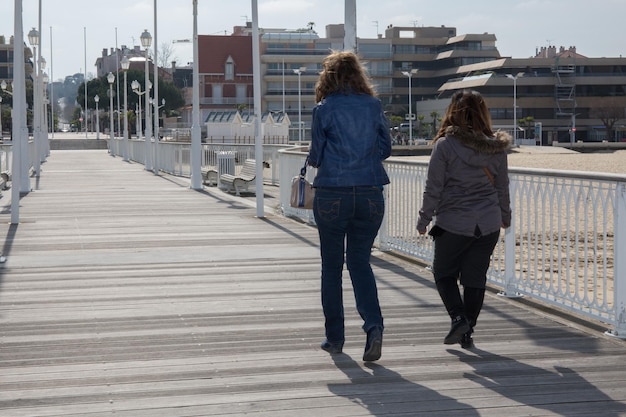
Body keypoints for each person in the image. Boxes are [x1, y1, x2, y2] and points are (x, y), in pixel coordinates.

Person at [307, 50, 392, 362]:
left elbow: (315, 156)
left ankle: (335, 339)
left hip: (332, 193)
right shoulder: (373, 106)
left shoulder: (324, 108)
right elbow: (385, 147)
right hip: (370, 192)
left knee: (332, 267)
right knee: (360, 263)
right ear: (359, 75)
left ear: (328, 76)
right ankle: (373, 327)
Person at [416, 89, 512, 349]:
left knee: (443, 274)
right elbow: (502, 187)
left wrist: (424, 219)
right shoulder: (496, 148)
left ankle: (459, 318)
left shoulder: (445, 145)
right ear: (483, 113)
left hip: (453, 223)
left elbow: (433, 187)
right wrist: (505, 216)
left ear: (453, 112)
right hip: (488, 224)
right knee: (474, 278)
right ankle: (467, 330)